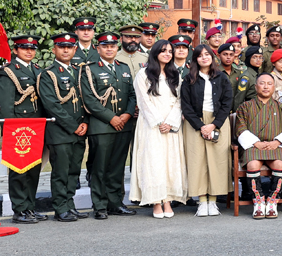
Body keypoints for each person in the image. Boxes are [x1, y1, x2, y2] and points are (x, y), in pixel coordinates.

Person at [79, 31, 138, 220]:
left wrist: (127, 114)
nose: (109, 49)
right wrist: (112, 118)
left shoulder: (123, 68)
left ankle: (115, 203)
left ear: (117, 48)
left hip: (124, 125)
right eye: (105, 46)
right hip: (102, 126)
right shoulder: (89, 70)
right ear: (98, 48)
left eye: (112, 46)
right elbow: (88, 99)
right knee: (100, 167)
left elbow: (132, 94)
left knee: (117, 167)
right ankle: (100, 205)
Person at [128, 41, 186, 218]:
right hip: (151, 125)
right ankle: (155, 202)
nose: (167, 54)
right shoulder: (143, 74)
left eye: (169, 51)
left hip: (171, 124)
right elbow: (143, 102)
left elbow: (180, 100)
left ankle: (167, 200)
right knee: (153, 162)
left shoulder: (175, 74)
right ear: (155, 53)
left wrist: (171, 122)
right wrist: (159, 122)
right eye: (163, 51)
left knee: (170, 162)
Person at [38, 32, 89, 221]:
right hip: (60, 132)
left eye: (69, 47)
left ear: (75, 49)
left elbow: (86, 100)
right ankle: (60, 208)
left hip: (79, 130)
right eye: (61, 47)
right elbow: (52, 105)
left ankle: (70, 204)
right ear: (54, 50)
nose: (65, 50)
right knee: (61, 172)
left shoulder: (78, 71)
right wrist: (73, 126)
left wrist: (85, 122)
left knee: (74, 171)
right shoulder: (48, 75)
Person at [179, 43, 233, 217]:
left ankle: (213, 201)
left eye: (207, 54)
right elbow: (185, 106)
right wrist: (200, 126)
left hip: (218, 122)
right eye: (200, 55)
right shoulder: (189, 79)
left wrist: (214, 124)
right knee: (197, 161)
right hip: (195, 123)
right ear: (195, 59)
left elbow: (227, 103)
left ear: (212, 57)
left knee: (218, 160)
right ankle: (202, 201)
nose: (204, 57)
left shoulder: (222, 77)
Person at [0, 34, 47, 224]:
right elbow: (5, 105)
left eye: (32, 48)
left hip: (36, 127)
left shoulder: (37, 69)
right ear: (15, 50)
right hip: (18, 129)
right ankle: (19, 210)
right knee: (19, 171)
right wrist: (9, 131)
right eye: (24, 48)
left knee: (33, 169)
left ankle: (30, 207)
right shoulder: (8, 72)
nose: (29, 51)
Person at [236, 73, 282, 219]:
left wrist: (277, 142)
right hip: (253, 146)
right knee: (253, 164)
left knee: (279, 163)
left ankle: (273, 201)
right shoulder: (245, 106)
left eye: (269, 83)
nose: (266, 87)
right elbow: (240, 128)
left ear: (274, 87)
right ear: (256, 87)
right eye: (262, 83)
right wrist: (256, 143)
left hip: (276, 145)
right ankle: (258, 202)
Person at [234, 46, 262, 110]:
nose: (258, 60)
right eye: (254, 57)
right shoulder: (246, 77)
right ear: (249, 58)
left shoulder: (258, 73)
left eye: (260, 57)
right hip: (249, 109)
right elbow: (239, 99)